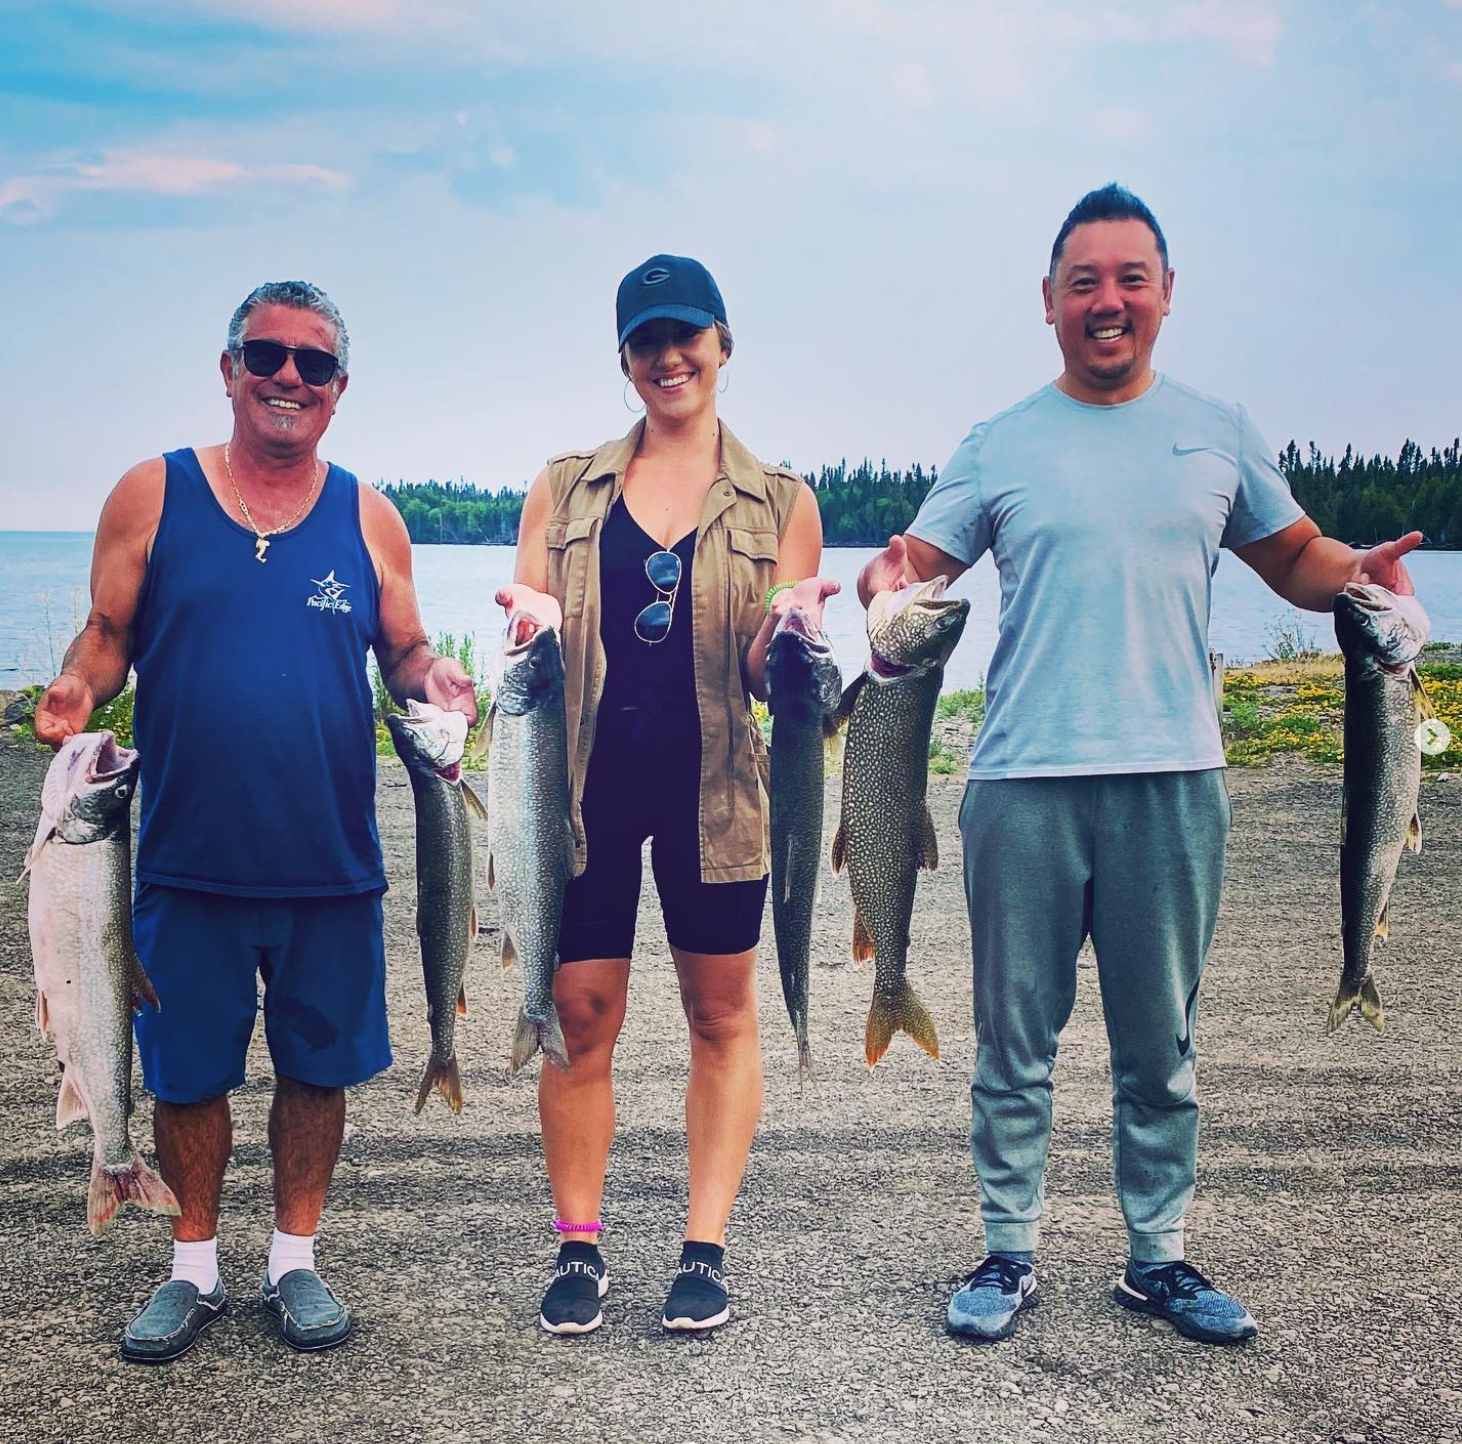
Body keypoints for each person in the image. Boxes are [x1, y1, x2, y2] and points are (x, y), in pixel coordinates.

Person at [858, 186, 1422, 1346]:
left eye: (1129, 279)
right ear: (1049, 302)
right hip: (1020, 779)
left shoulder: (1216, 429)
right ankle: (1006, 1247)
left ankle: (1154, 1257)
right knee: (1014, 1039)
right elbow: (912, 562)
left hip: (1173, 779)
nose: (1106, 301)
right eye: (1084, 282)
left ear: (1164, 294)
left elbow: (1297, 559)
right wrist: (876, 589)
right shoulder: (998, 440)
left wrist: (1358, 570)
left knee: (1157, 1041)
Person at [34, 280, 478, 1363]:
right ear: (229, 368)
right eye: (267, 355)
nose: (289, 377)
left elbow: (405, 651)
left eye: (313, 364)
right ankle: (191, 1266)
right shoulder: (154, 494)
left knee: (317, 1068)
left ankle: (294, 1258)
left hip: (330, 858)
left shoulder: (367, 514)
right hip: (184, 853)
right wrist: (74, 690)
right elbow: (106, 631)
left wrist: (439, 677)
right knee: (185, 1071)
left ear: (338, 390)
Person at [500, 254, 829, 1336]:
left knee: (719, 1014)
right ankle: (579, 1245)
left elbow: (768, 681)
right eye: (646, 340)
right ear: (625, 359)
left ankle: (704, 1247)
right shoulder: (562, 487)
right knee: (578, 1016)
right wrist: (515, 629)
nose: (668, 356)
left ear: (723, 344)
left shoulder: (782, 501)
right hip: (579, 793)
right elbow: (531, 643)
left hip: (719, 793)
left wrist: (788, 638)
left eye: (687, 335)